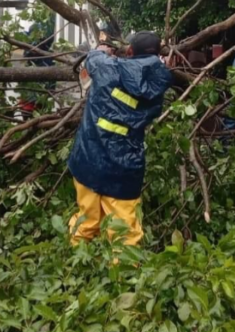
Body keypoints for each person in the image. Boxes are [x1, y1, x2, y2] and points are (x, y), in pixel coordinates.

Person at [68, 31, 172, 246]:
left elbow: (94, 58)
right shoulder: (161, 79)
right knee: (124, 234)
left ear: (130, 51)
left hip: (88, 156)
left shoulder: (108, 68)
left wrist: (102, 50)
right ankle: (122, 275)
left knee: (86, 221)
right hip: (124, 167)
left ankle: (76, 267)